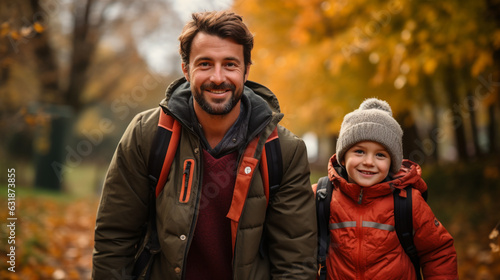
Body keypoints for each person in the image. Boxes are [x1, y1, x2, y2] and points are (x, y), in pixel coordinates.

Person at [92, 11, 317, 280]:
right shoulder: (148, 134)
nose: (218, 77)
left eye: (230, 64)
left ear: (246, 71)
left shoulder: (283, 151)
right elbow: (114, 238)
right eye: (205, 64)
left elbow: (295, 263)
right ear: (186, 70)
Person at [313, 98, 458, 279]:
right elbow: (295, 249)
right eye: (359, 151)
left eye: (380, 155)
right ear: (342, 157)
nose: (368, 162)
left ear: (392, 163)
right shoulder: (321, 196)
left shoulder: (408, 201)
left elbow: (438, 253)